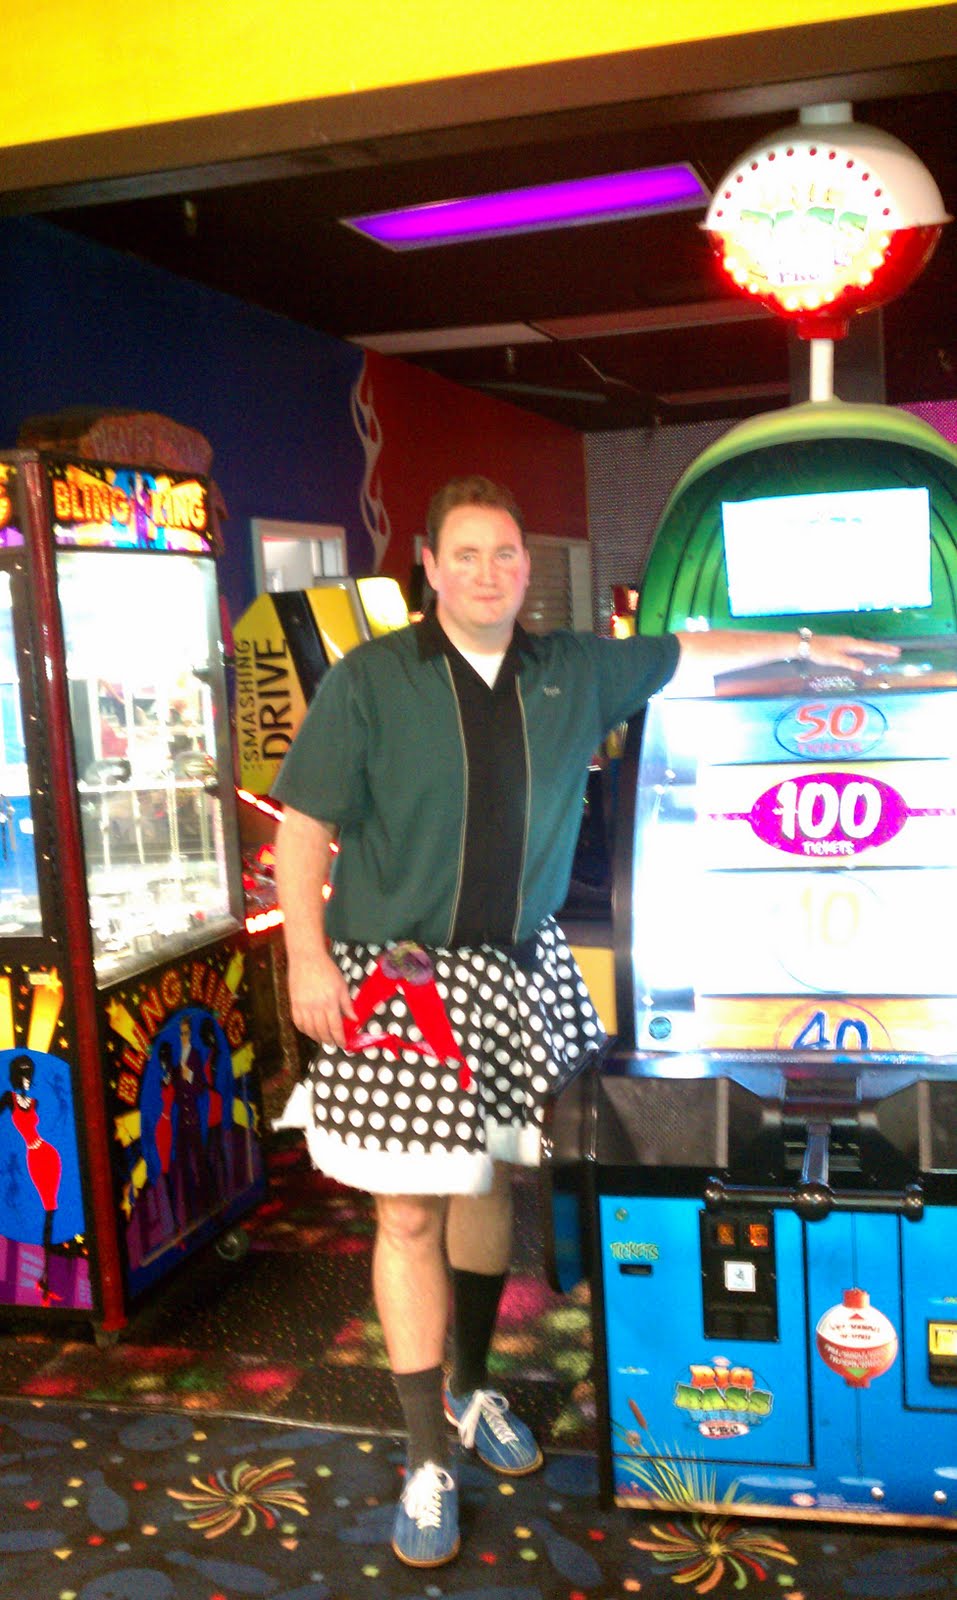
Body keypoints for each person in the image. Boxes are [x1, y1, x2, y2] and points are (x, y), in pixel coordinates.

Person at [272, 474, 895, 1569]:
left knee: (487, 1187)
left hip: (517, 973)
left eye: (506, 553)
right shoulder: (372, 678)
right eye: (466, 554)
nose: (489, 572)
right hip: (397, 981)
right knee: (408, 1214)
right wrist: (306, 957)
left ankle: (469, 1388)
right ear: (429, 567)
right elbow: (305, 826)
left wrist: (813, 648)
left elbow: (691, 652)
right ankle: (425, 1459)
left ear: (526, 567)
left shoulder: (571, 667)